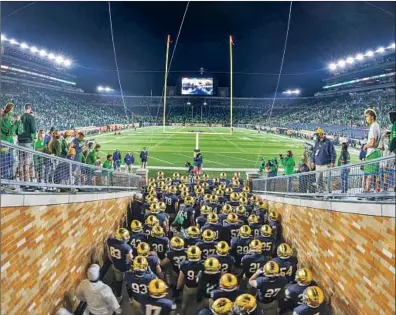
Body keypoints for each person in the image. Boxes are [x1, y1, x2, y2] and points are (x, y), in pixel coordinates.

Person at [311, 128, 336, 193]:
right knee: (318, 181)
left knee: (326, 180)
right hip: (318, 165)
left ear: (321, 134)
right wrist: (312, 161)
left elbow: (332, 153)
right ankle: (320, 192)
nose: (316, 136)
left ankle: (328, 192)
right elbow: (314, 152)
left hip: (326, 164)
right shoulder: (317, 142)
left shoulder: (328, 142)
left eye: (317, 134)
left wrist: (332, 162)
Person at [0, 103, 21, 181]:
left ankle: (8, 180)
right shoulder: (5, 119)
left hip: (8, 144)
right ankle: (5, 181)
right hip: (5, 144)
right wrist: (16, 122)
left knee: (10, 163)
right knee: (5, 165)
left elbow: (14, 131)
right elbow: (10, 132)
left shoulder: (7, 118)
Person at [363, 109, 381, 193]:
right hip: (376, 152)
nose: (366, 118)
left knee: (369, 174)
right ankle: (377, 189)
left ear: (372, 117)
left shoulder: (373, 126)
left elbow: (373, 143)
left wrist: (365, 146)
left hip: (372, 153)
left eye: (367, 116)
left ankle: (367, 190)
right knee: (376, 173)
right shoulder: (377, 125)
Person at [17, 103, 37, 182]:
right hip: (28, 142)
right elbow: (33, 130)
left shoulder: (20, 117)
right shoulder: (31, 117)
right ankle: (28, 181)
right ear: (30, 109)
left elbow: (16, 130)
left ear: (24, 108)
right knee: (28, 162)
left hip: (20, 142)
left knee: (21, 162)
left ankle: (22, 180)